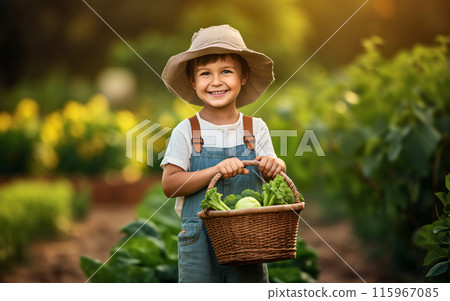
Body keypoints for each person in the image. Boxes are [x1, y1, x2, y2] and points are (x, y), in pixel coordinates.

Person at [160, 24, 286, 283]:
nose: (216, 81)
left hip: (248, 238)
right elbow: (170, 184)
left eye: (226, 71)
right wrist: (215, 170)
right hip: (199, 240)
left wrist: (276, 165)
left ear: (243, 76)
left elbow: (274, 177)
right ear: (193, 81)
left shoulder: (256, 128)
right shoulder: (186, 130)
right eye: (205, 74)